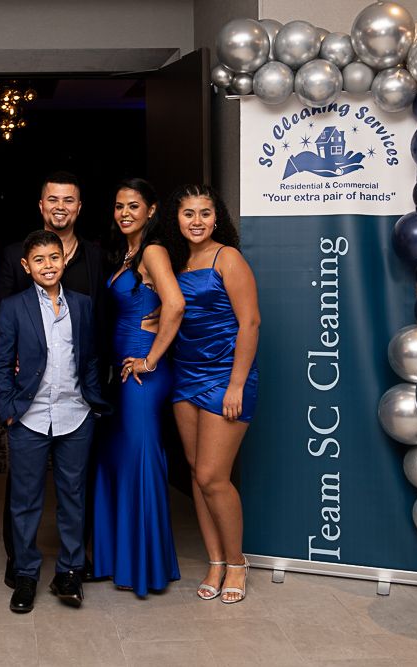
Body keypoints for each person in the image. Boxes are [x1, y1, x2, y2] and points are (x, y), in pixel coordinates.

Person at [0, 171, 109, 587]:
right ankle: (24, 572)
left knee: (73, 496)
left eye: (54, 259)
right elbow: (2, 357)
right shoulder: (14, 300)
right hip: (28, 412)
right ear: (26, 266)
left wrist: (93, 401)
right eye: (39, 260)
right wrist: (8, 407)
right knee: (25, 498)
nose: (48, 265)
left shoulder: (82, 299)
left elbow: (91, 350)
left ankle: (70, 570)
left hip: (75, 413)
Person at [159, 184, 260, 604]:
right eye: (188, 213)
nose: (197, 221)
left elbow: (250, 323)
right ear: (177, 219)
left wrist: (236, 384)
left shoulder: (227, 258)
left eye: (204, 213)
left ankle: (237, 563)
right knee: (195, 472)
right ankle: (215, 560)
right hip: (185, 374)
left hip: (225, 376)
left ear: (217, 218)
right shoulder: (177, 263)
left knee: (212, 477)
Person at [91, 178, 183, 596]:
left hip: (143, 375)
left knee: (140, 458)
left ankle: (144, 567)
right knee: (118, 459)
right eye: (119, 206)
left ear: (151, 210)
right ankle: (119, 560)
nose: (124, 213)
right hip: (122, 374)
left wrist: (151, 357)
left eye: (133, 206)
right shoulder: (126, 253)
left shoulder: (152, 251)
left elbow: (175, 303)